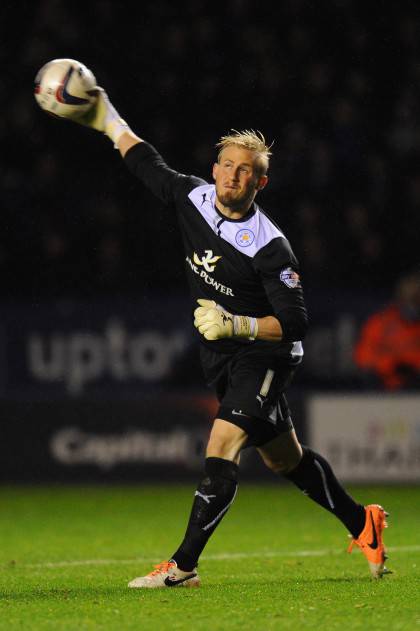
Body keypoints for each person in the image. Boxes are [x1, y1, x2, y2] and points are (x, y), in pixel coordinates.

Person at [65, 87, 389, 586]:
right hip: (221, 353)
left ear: (261, 181)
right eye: (227, 165)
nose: (233, 176)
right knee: (285, 458)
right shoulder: (191, 196)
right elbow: (143, 160)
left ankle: (183, 566)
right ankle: (361, 521)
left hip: (267, 353)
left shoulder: (269, 246)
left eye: (246, 171)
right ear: (215, 168)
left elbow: (296, 321)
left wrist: (235, 322)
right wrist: (104, 115)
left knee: (222, 442)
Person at [354, 270, 420, 389]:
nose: (412, 305)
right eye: (409, 299)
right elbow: (364, 358)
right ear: (399, 297)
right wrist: (391, 365)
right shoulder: (379, 323)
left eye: (416, 299)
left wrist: (412, 365)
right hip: (383, 390)